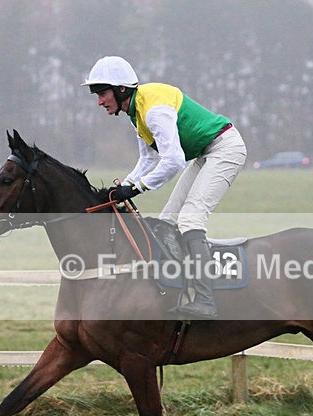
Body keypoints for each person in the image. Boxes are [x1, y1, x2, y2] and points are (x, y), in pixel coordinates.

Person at [82, 56, 247, 319]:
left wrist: (136, 189)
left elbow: (173, 161)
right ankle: (178, 290)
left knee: (190, 219)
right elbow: (148, 160)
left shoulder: (153, 110)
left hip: (225, 149)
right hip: (204, 153)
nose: (99, 102)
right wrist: (124, 186)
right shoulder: (136, 111)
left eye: (102, 94)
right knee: (168, 220)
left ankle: (205, 300)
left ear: (121, 89)